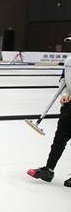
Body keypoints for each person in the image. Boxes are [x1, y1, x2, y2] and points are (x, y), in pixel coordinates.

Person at [28, 56, 71, 187]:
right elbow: (64, 79)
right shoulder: (69, 60)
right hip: (68, 106)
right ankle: (49, 170)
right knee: (59, 139)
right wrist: (65, 94)